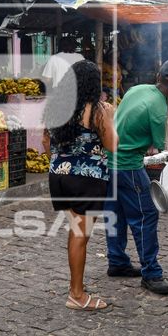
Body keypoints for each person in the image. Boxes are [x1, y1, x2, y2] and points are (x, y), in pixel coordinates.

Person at [104, 58, 168, 295]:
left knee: (116, 213)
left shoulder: (136, 89)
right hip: (128, 166)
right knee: (146, 215)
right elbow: (166, 147)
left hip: (107, 163)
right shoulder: (160, 109)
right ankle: (151, 273)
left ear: (158, 76)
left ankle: (117, 261)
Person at [43, 60, 117, 311]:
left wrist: (60, 163)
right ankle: (76, 294)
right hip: (86, 179)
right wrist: (110, 117)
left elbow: (45, 141)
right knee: (80, 236)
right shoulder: (97, 109)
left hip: (60, 177)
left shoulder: (57, 107)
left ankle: (76, 289)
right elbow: (111, 145)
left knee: (75, 232)